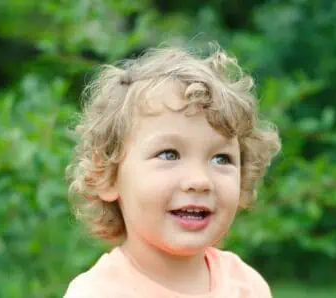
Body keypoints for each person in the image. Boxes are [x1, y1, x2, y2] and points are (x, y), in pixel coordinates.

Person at [64, 43, 281, 297]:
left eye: (221, 158)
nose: (200, 181)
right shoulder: (97, 292)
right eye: (169, 155)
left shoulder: (247, 286)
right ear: (108, 175)